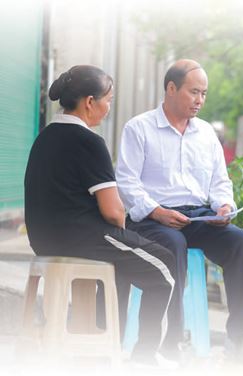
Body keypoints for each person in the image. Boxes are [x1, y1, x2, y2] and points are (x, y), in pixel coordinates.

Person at [24, 65, 178, 366]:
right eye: (108, 100)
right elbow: (113, 211)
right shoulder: (89, 142)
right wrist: (124, 230)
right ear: (89, 102)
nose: (109, 108)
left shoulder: (44, 137)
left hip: (43, 239)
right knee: (164, 268)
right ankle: (144, 358)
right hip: (79, 238)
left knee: (123, 260)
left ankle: (97, 348)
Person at [115, 59, 243, 358]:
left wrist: (223, 206)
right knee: (173, 244)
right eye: (194, 92)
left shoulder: (205, 134)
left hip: (199, 217)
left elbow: (220, 180)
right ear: (171, 88)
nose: (200, 100)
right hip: (153, 219)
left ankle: (238, 338)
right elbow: (126, 183)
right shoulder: (139, 128)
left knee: (240, 241)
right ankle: (172, 339)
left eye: (204, 93)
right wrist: (157, 212)